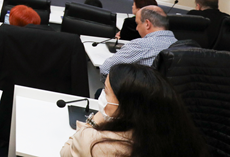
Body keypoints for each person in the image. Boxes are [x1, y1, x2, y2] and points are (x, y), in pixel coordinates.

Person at [60, 63, 207, 157]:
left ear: (127, 107)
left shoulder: (95, 143)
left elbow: (65, 152)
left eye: (106, 91)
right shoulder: (179, 137)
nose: (102, 95)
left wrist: (94, 120)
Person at [99, 6, 177, 82]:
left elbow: (105, 69)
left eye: (137, 23)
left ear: (147, 24)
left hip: (139, 90)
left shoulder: (141, 45)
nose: (136, 28)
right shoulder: (178, 44)